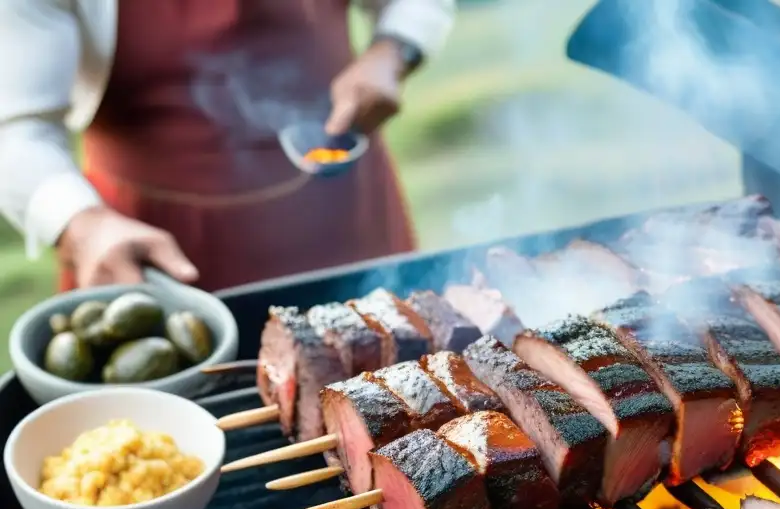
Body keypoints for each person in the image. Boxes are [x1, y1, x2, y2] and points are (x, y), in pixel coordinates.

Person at [0, 0, 455, 291]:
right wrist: (82, 225)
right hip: (157, 246)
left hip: (345, 205)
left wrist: (392, 52)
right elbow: (16, 133)